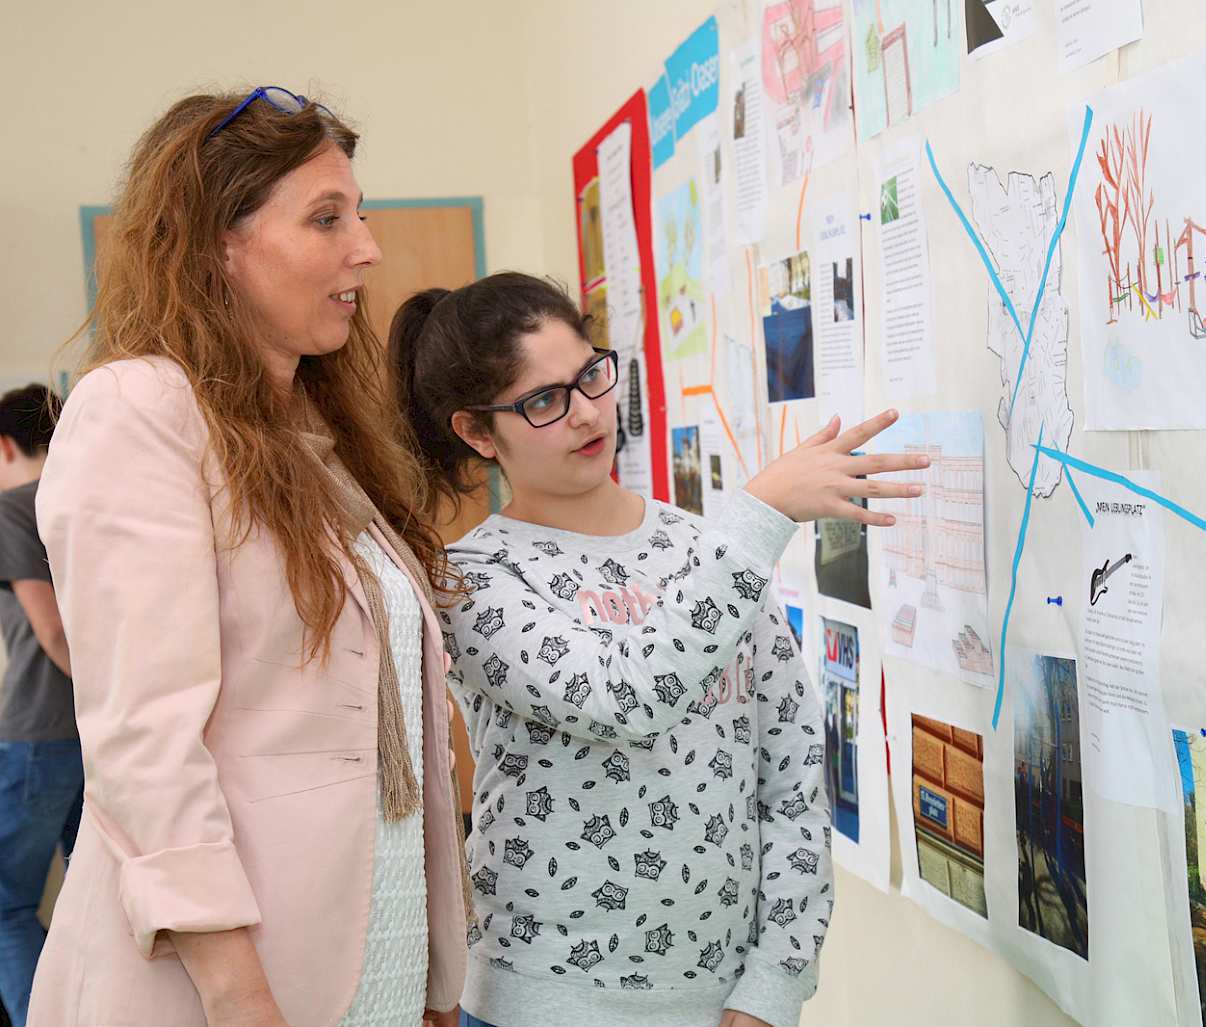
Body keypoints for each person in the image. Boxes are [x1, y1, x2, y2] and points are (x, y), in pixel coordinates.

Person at [29, 88, 466, 1026]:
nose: (366, 248)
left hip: (368, 954)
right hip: (232, 978)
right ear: (216, 243)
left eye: (358, 215)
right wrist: (238, 992)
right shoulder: (141, 408)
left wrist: (427, 962)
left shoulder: (316, 438)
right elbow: (144, 740)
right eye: (325, 218)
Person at [389, 272, 928, 1027]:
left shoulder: (703, 548)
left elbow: (792, 767)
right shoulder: (471, 581)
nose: (586, 413)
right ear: (479, 434)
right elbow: (624, 697)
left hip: (724, 1001)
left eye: (590, 376)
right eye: (543, 401)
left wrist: (776, 981)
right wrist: (761, 514)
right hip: (541, 1003)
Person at [0, 384, 81, 1027]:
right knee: (93, 898)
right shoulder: (89, 496)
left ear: (5, 446)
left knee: (5, 905)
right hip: (98, 735)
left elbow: (51, 631)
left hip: (39, 733)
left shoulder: (13, 508)